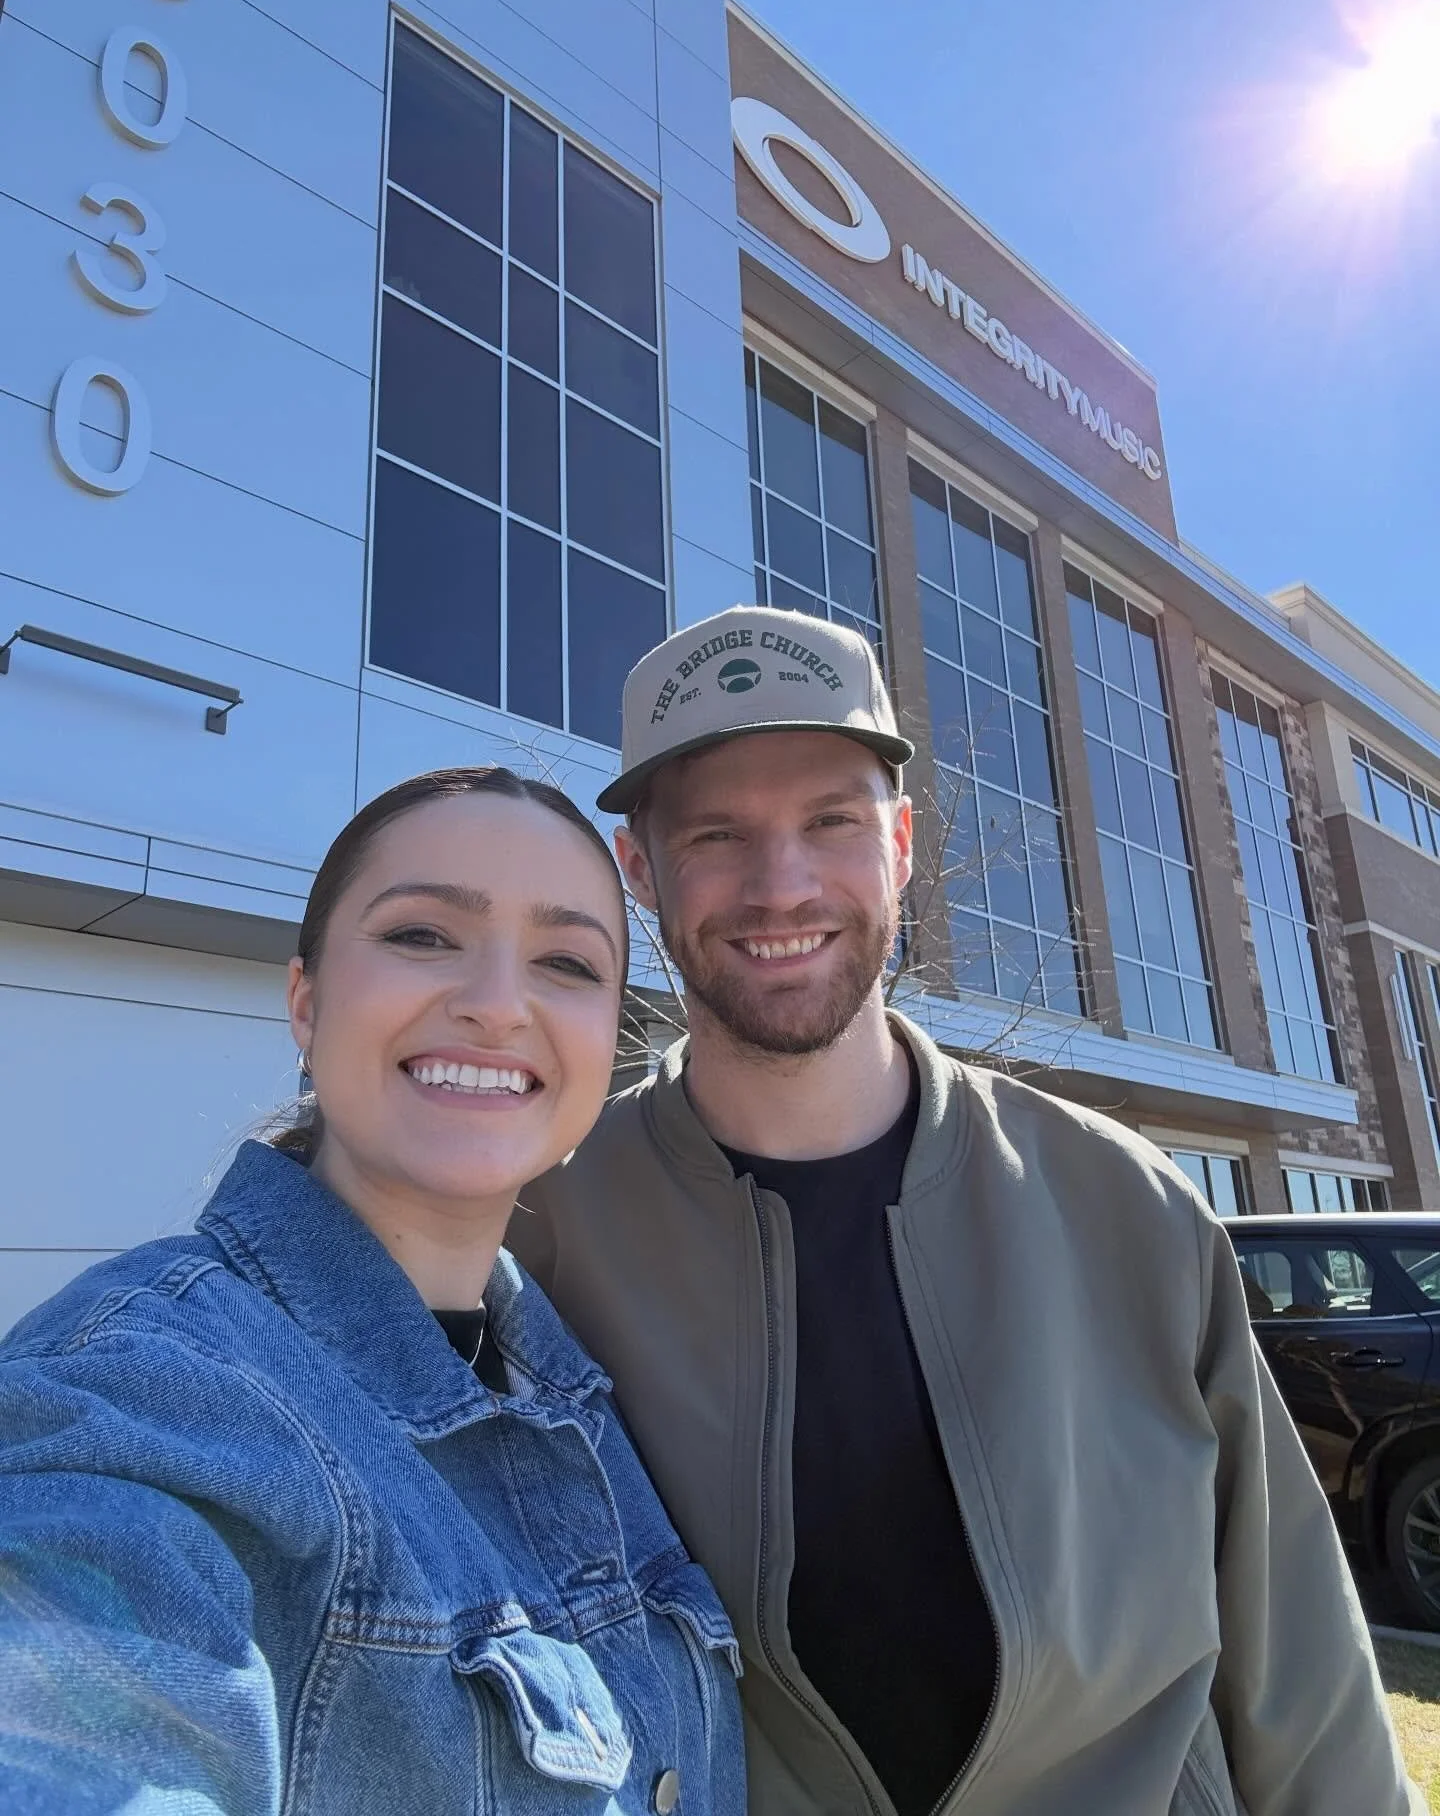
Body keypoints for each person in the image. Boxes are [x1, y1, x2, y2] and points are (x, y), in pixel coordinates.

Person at [509, 608, 1423, 1816]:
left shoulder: (1126, 1205)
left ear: (897, 844)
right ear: (642, 871)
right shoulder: (542, 1233)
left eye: (830, 822)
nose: (780, 886)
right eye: (719, 834)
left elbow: (1294, 1651)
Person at [0, 767, 745, 1816]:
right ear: (306, 1001)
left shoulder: (583, 1397)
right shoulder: (142, 1390)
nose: (496, 1004)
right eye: (421, 936)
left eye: (568, 961)